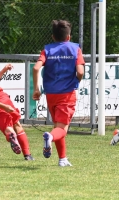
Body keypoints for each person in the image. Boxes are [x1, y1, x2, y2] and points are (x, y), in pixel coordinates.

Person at [32, 20, 85, 167]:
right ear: (68, 37)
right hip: (67, 94)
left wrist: (36, 88)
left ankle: (62, 159)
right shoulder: (75, 49)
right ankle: (49, 137)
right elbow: (80, 71)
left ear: (53, 37)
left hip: (51, 94)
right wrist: (76, 80)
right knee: (61, 129)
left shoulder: (47, 50)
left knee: (58, 125)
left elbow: (36, 68)